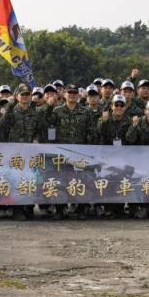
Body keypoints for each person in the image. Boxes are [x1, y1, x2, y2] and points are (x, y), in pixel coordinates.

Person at [46, 84, 95, 219]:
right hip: (62, 152)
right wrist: (49, 107)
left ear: (78, 95)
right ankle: (60, 209)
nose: (72, 95)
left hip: (80, 151)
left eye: (74, 93)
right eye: (69, 92)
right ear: (64, 94)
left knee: (81, 180)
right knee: (61, 180)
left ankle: (81, 209)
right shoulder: (57, 111)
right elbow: (48, 124)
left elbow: (91, 131)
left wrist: (89, 149)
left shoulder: (86, 111)